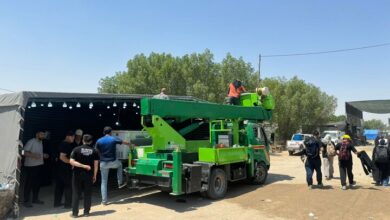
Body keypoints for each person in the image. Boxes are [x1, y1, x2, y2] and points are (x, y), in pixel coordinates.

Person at [95, 126, 131, 205]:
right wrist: (130, 144)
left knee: (104, 182)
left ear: (103, 132)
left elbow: (96, 151)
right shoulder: (113, 139)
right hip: (113, 162)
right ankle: (120, 182)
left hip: (103, 163)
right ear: (110, 132)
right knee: (120, 165)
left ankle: (104, 201)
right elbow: (124, 142)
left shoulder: (99, 140)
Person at [70, 134, 99, 218]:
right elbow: (96, 165)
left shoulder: (76, 149)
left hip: (77, 175)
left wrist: (82, 166)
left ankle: (75, 214)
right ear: (91, 141)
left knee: (76, 193)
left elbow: (71, 162)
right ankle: (86, 212)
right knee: (88, 194)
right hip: (89, 175)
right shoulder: (95, 151)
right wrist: (95, 175)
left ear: (83, 140)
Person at [23, 130, 49, 207]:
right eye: (41, 134)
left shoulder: (41, 142)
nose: (43, 136)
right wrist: (34, 155)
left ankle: (35, 199)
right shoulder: (31, 141)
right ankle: (26, 201)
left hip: (39, 165)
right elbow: (23, 152)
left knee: (37, 184)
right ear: (37, 134)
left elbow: (38, 154)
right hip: (31, 166)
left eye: (43, 135)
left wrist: (43, 155)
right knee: (29, 184)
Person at [54, 131, 75, 208]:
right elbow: (62, 157)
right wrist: (71, 162)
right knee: (68, 186)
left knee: (59, 186)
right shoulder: (66, 145)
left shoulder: (60, 143)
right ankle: (68, 204)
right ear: (68, 136)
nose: (73, 139)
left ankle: (57, 203)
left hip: (58, 167)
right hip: (65, 168)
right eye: (73, 137)